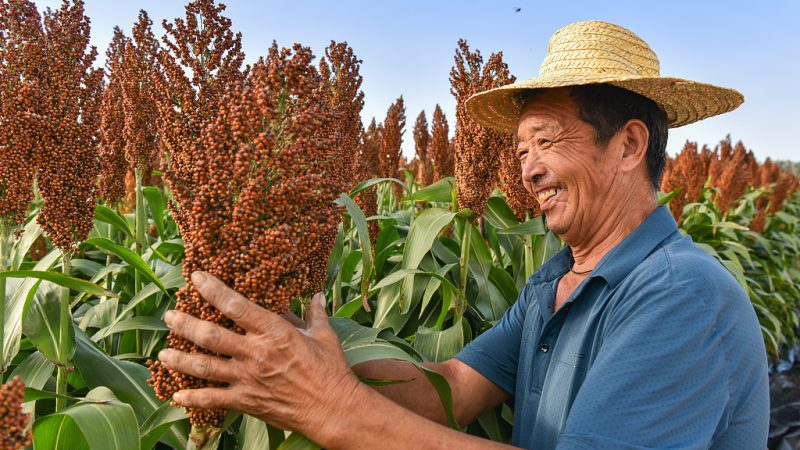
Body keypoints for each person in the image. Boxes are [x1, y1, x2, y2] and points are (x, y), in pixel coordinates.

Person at [157, 20, 769, 449]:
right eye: (521, 147)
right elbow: (451, 386)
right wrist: (299, 358)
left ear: (630, 144)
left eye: (547, 142)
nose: (526, 169)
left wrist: (331, 406)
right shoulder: (554, 283)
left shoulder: (683, 295)